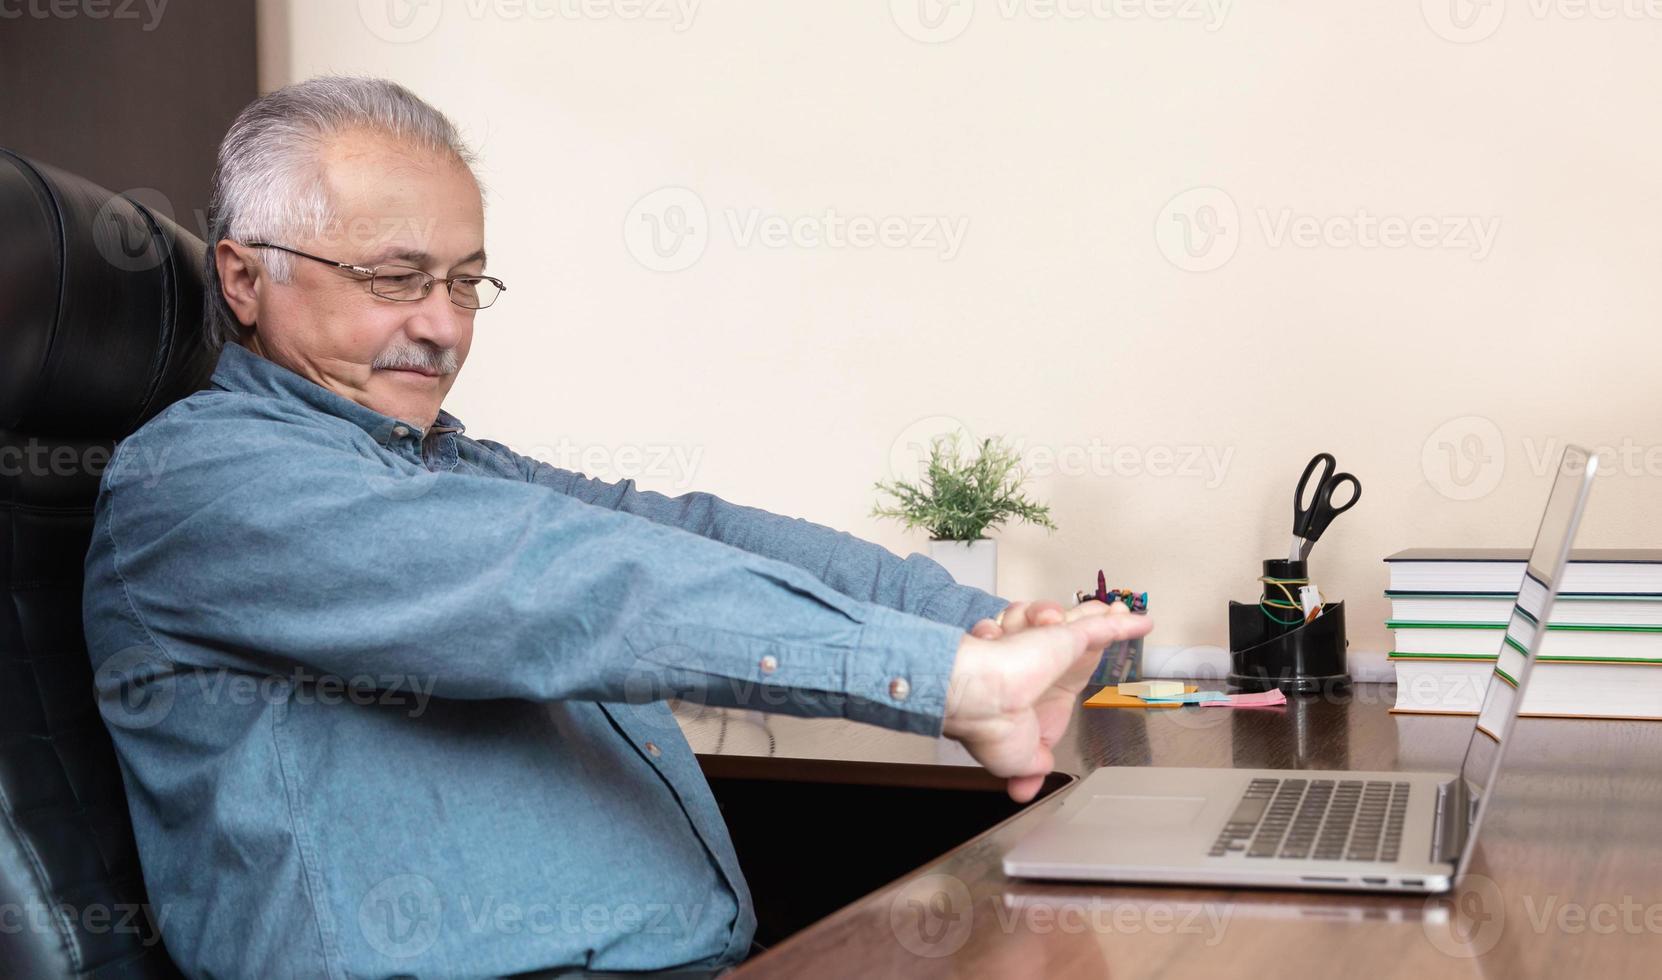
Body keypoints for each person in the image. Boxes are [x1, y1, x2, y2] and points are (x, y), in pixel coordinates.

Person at [82, 75, 1153, 979]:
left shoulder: (440, 461)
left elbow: (685, 532)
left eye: (464, 282)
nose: (444, 325)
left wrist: (976, 624)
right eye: (395, 280)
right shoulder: (206, 480)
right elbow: (568, 582)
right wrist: (944, 681)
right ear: (242, 276)